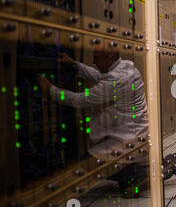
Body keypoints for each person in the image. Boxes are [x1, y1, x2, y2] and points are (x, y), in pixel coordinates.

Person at [35, 41, 151, 196]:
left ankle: (141, 174)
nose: (94, 61)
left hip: (129, 140)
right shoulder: (127, 66)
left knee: (86, 167)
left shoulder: (116, 80)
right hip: (133, 135)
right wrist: (75, 65)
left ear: (110, 57)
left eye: (97, 57)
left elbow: (79, 100)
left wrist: (51, 90)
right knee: (96, 166)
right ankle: (139, 171)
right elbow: (100, 76)